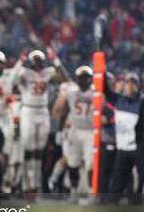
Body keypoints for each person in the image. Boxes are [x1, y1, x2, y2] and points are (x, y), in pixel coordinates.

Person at [12, 49, 69, 192]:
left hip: (42, 110)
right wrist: (19, 62)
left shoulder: (48, 72)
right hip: (28, 110)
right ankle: (26, 182)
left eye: (39, 60)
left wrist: (56, 60)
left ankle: (35, 182)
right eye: (35, 60)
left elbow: (65, 78)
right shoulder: (24, 72)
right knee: (28, 146)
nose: (37, 64)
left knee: (39, 148)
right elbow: (11, 82)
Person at [106, 73, 144, 197]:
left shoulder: (143, 100)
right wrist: (102, 71)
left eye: (133, 84)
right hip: (122, 146)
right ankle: (115, 200)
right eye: (128, 83)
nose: (130, 86)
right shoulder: (119, 99)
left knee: (141, 176)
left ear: (138, 86)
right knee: (119, 176)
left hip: (137, 145)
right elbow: (105, 90)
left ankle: (140, 200)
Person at [52, 66, 94, 194]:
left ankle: (92, 192)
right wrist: (59, 130)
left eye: (86, 78)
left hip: (90, 131)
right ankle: (73, 192)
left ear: (91, 79)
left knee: (90, 164)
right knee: (73, 162)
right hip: (75, 130)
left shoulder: (96, 93)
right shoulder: (72, 92)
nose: (83, 81)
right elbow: (64, 112)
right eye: (81, 78)